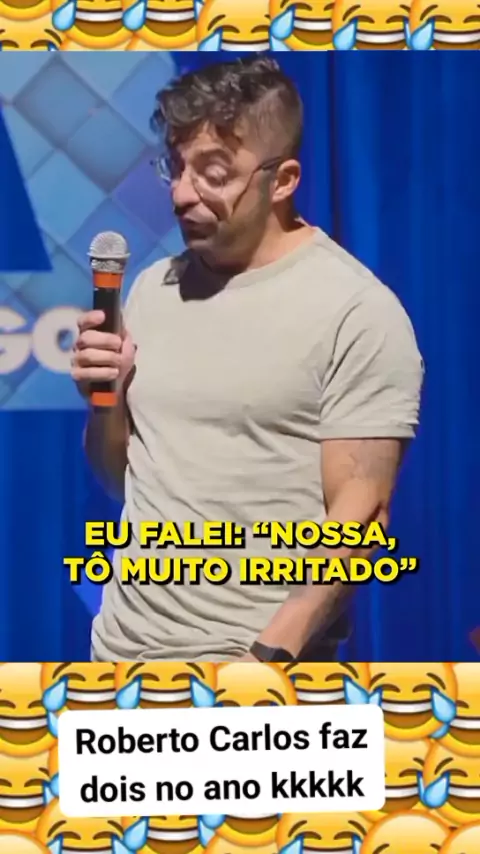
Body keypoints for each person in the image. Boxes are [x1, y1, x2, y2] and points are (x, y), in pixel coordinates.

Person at [72, 57, 424, 663]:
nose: (182, 194)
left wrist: (267, 657)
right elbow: (118, 479)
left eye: (213, 173)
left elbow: (362, 516)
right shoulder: (152, 289)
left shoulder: (356, 310)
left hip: (258, 673)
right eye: (176, 167)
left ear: (282, 180)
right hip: (119, 663)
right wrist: (105, 401)